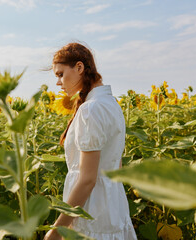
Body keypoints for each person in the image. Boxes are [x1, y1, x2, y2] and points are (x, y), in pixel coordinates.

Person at [44, 42, 137, 240]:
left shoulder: (91, 109)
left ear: (79, 67)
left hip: (90, 212)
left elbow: (87, 180)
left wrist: (57, 230)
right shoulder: (111, 104)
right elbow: (115, 166)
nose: (58, 83)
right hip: (112, 208)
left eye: (60, 74)